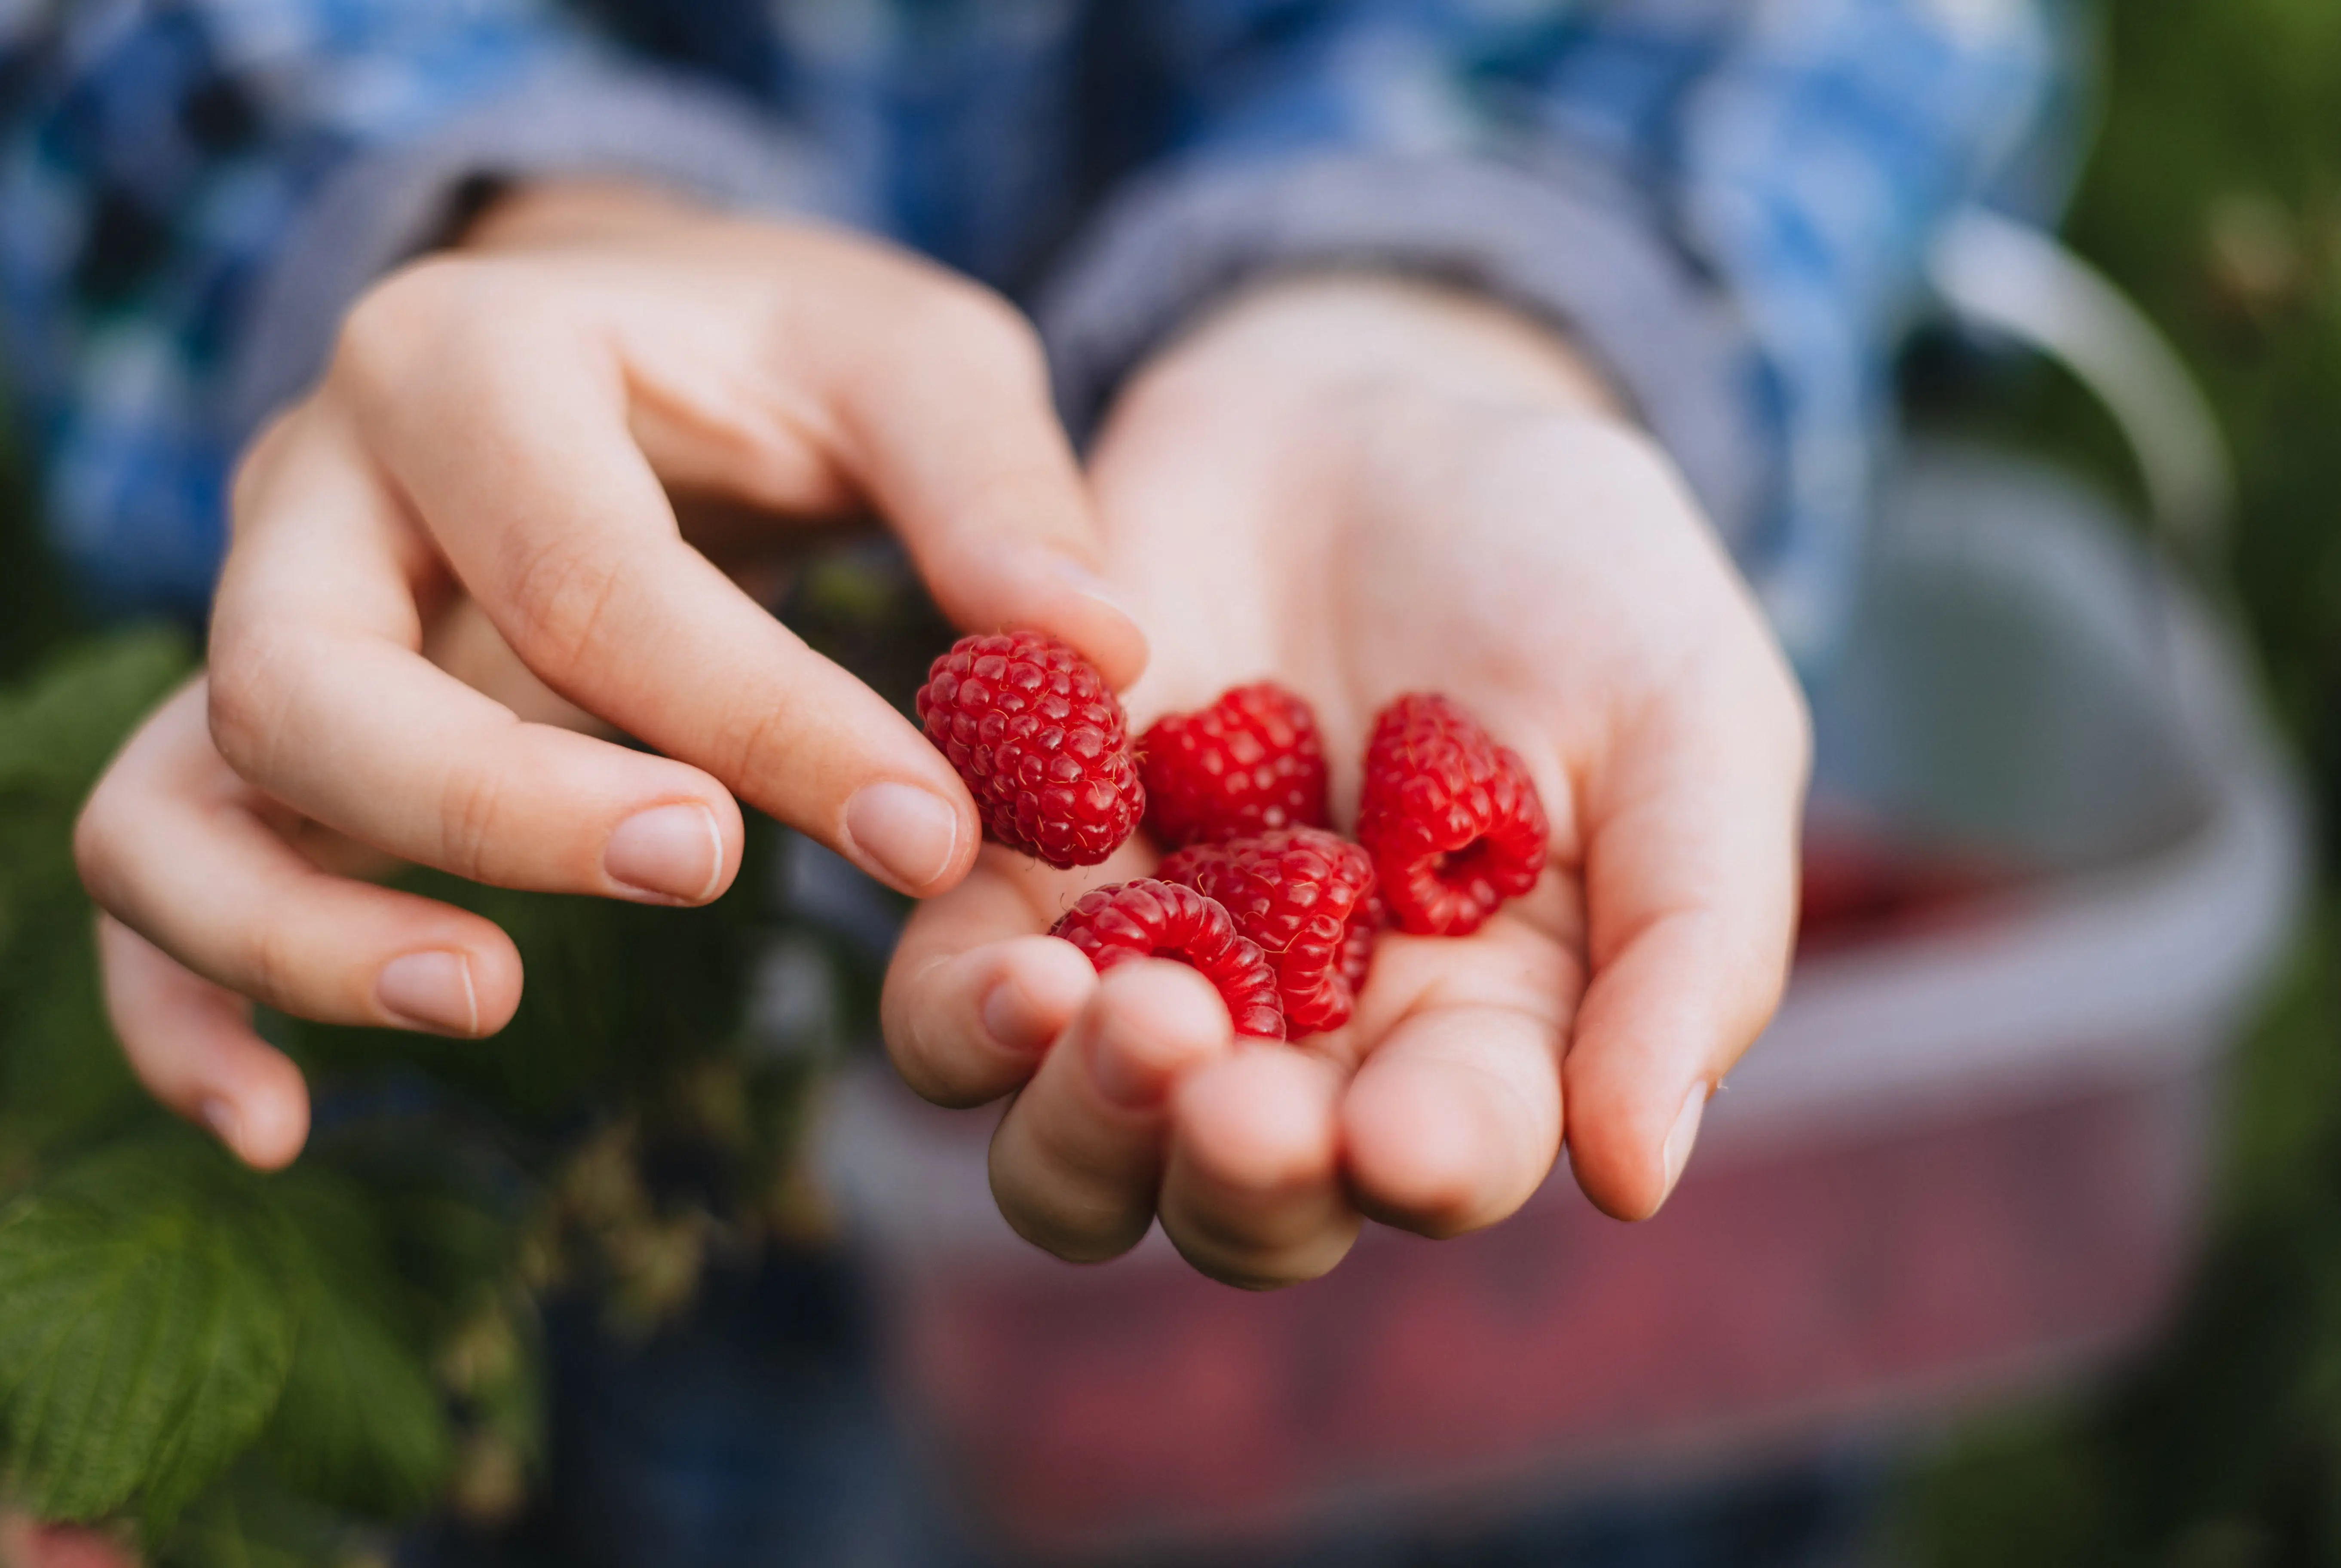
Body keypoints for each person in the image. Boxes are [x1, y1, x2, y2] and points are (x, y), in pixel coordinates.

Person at [0, 0, 2061, 1557]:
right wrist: (487, 226)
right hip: (633, 1312)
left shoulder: (1260, 814)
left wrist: (1477, 315)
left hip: (1548, 1444)